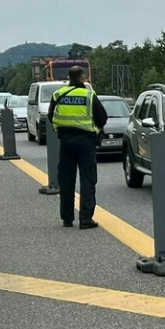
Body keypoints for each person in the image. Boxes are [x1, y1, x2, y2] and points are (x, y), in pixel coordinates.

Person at [47, 66, 108, 228]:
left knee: (66, 180)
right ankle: (85, 219)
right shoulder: (89, 95)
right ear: (82, 77)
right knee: (87, 180)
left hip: (66, 141)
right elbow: (102, 118)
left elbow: (50, 116)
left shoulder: (58, 94)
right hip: (86, 142)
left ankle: (67, 218)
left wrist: (60, 130)